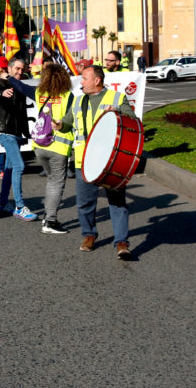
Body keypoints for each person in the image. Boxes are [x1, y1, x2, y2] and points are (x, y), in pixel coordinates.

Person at [53, 65, 136, 259]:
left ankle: (121, 242)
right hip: (84, 161)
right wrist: (60, 124)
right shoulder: (78, 101)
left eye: (84, 78)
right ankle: (89, 235)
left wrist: (117, 111)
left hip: (111, 160)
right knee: (85, 203)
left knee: (117, 202)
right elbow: (68, 121)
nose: (81, 82)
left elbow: (132, 117)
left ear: (96, 80)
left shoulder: (116, 97)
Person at [0, 63, 75, 234]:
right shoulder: (68, 96)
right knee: (56, 183)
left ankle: (48, 218)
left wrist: (9, 77)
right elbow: (72, 118)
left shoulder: (40, 93)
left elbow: (21, 87)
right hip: (59, 146)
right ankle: (50, 221)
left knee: (51, 180)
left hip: (39, 146)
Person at [0, 57, 38, 221]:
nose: (20, 72)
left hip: (16, 133)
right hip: (6, 132)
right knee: (19, 165)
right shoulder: (1, 82)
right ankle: (19, 206)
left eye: (22, 69)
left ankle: (3, 204)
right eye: (17, 69)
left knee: (10, 169)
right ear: (9, 69)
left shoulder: (20, 84)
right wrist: (2, 93)